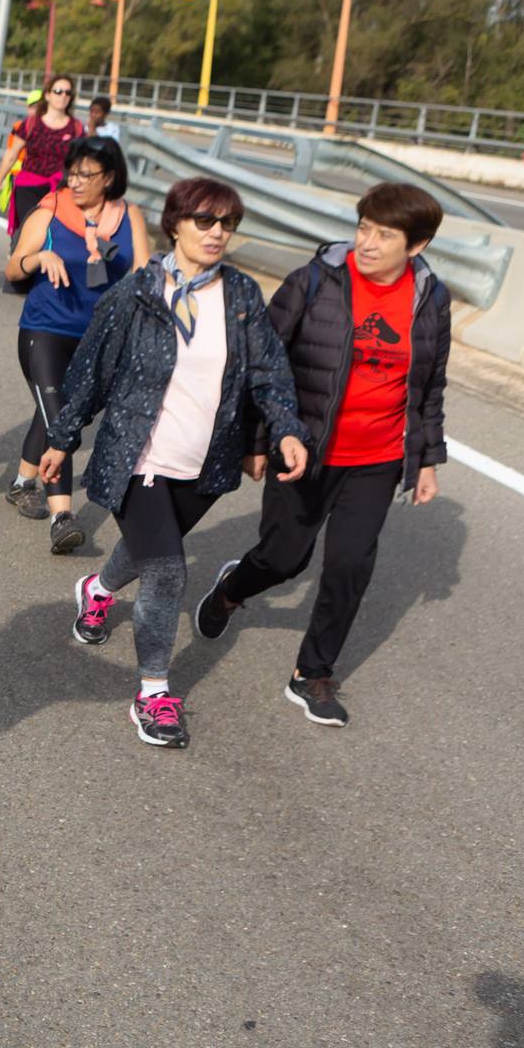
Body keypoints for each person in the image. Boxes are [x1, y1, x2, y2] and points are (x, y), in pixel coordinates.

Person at [41, 177, 308, 750]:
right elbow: (89, 370)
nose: (217, 233)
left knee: (146, 550)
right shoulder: (136, 294)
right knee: (167, 569)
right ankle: (153, 692)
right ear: (176, 223)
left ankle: (98, 588)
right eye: (205, 221)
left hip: (204, 462)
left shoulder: (240, 297)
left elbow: (268, 371)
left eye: (228, 224)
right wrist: (63, 439)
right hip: (139, 455)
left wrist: (285, 428)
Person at [192, 184, 451, 728]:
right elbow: (264, 364)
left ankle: (312, 673)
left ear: (418, 244)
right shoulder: (313, 281)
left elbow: (428, 386)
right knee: (285, 557)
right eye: (364, 227)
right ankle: (232, 590)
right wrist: (257, 441)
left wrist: (426, 458)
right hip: (304, 448)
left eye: (385, 234)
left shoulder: (431, 298)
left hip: (377, 458)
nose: (369, 242)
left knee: (351, 563)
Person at [5, 135, 149, 553]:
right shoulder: (50, 209)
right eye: (73, 172)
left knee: (55, 411)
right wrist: (39, 259)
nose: (77, 181)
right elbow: (14, 267)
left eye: (88, 174)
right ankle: (62, 516)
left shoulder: (129, 215)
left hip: (97, 337)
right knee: (60, 421)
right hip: (44, 330)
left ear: (110, 177)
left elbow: (141, 273)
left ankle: (20, 483)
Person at [0, 73, 85, 234]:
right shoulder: (31, 123)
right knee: (28, 234)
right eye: (58, 91)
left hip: (60, 191)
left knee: (51, 238)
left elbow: (82, 163)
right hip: (29, 188)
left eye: (67, 93)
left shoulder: (76, 128)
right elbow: (11, 154)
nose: (63, 96)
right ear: (48, 95)